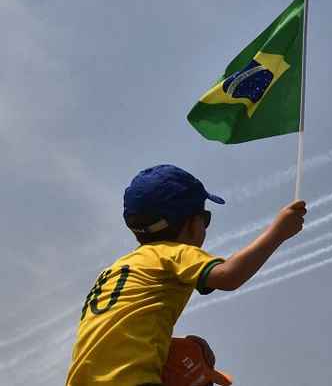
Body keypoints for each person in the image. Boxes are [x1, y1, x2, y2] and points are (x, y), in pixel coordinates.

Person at [66, 164, 306, 385]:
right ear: (192, 224)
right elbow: (229, 275)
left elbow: (114, 336)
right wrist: (279, 231)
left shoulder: (117, 270)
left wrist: (172, 348)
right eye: (206, 219)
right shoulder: (171, 254)